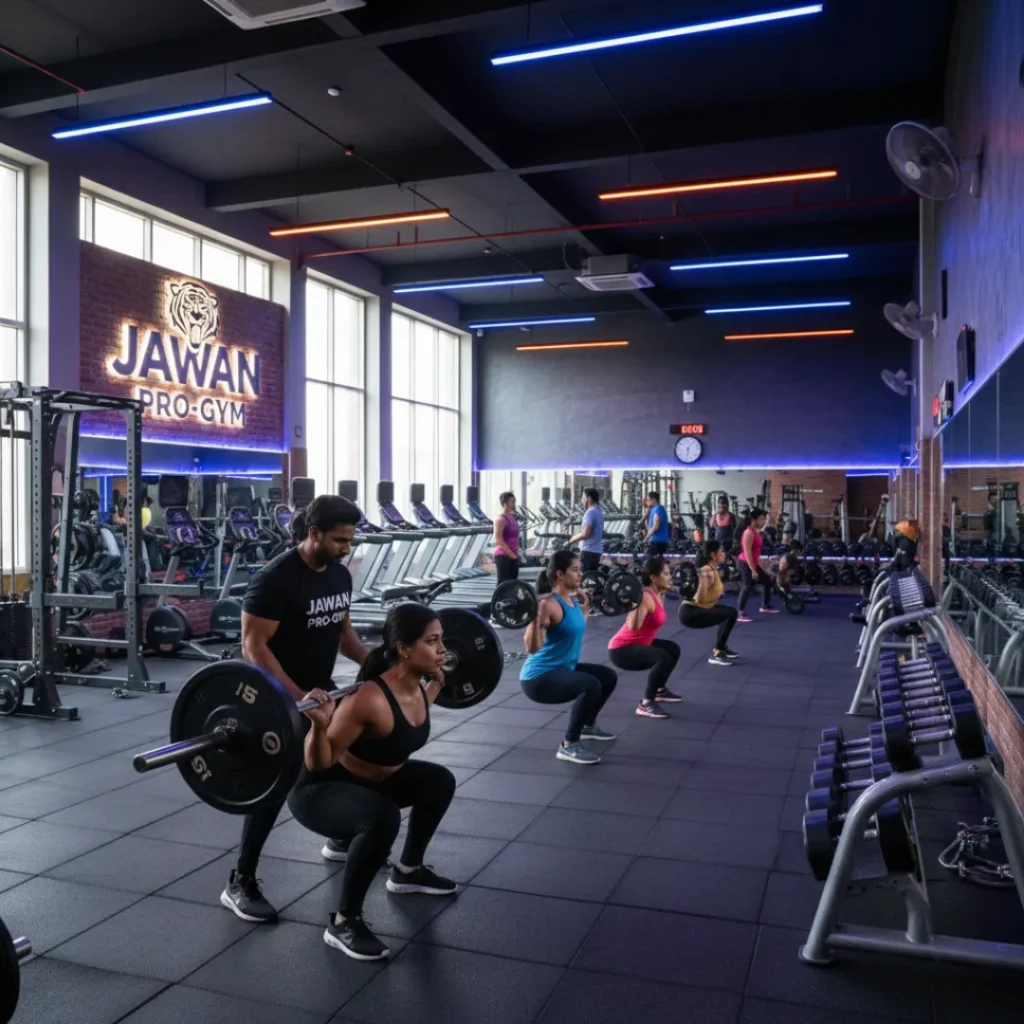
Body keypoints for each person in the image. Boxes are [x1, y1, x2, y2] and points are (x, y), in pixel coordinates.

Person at [220, 494, 369, 925]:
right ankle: (240, 881)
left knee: (345, 753)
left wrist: (381, 666)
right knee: (274, 786)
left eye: (350, 540)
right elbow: (254, 647)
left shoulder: (339, 576)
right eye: (339, 539)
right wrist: (297, 696)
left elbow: (345, 638)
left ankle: (340, 835)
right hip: (274, 697)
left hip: (317, 694)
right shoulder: (275, 579)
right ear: (313, 533)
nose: (346, 547)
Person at [290, 602, 457, 961]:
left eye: (442, 640)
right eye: (432, 641)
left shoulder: (416, 688)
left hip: (368, 783)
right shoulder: (368, 699)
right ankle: (343, 920)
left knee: (439, 780)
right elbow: (319, 761)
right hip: (317, 790)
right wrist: (319, 725)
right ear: (404, 649)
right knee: (382, 818)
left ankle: (408, 871)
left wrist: (435, 688)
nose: (442, 650)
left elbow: (409, 720)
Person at [520, 549, 618, 764]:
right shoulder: (547, 605)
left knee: (608, 677)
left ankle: (587, 726)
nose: (580, 574)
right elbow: (532, 648)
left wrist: (587, 605)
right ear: (559, 575)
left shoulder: (572, 602)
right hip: (539, 677)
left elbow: (575, 627)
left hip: (563, 668)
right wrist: (535, 618)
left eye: (580, 569)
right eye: (575, 570)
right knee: (590, 684)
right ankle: (568, 744)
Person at [607, 555, 683, 718]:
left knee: (672, 649)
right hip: (622, 650)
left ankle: (660, 690)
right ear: (654, 578)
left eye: (670, 574)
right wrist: (635, 603)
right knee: (662, 656)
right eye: (666, 574)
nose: (670, 578)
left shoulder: (659, 594)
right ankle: (646, 702)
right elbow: (634, 627)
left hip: (641, 643)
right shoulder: (645, 597)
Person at [679, 540, 740, 665]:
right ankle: (717, 653)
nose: (723, 554)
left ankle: (721, 647)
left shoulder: (712, 569)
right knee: (730, 613)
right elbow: (701, 599)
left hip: (697, 608)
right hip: (690, 612)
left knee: (728, 612)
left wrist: (716, 593)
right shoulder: (707, 571)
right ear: (713, 555)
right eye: (721, 552)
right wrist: (702, 581)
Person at [736, 507, 778, 623]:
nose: (764, 521)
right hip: (746, 564)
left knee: (767, 582)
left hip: (752, 564)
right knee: (746, 587)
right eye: (761, 519)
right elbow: (747, 552)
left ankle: (765, 606)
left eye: (765, 519)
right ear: (753, 520)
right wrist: (753, 569)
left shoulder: (755, 532)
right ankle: (740, 613)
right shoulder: (748, 533)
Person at [569, 488, 604, 573]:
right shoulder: (599, 512)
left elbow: (585, 533)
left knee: (582, 579)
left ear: (589, 498)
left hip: (588, 552)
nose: (582, 500)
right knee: (591, 580)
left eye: (583, 498)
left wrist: (572, 539)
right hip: (597, 552)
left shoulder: (590, 512)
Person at [493, 491, 521, 585]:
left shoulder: (512, 518)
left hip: (513, 555)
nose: (514, 504)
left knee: (513, 583)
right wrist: (511, 554)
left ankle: (511, 599)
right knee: (503, 584)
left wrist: (516, 551)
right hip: (503, 555)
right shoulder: (500, 519)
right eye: (511, 501)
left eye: (514, 501)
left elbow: (516, 536)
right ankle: (498, 600)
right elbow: (499, 540)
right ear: (505, 503)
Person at [644, 491, 671, 555]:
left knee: (656, 562)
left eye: (649, 500)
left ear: (654, 500)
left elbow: (656, 526)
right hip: (653, 541)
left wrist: (647, 537)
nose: (647, 502)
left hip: (658, 542)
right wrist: (646, 515)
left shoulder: (659, 508)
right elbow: (648, 527)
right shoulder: (652, 510)